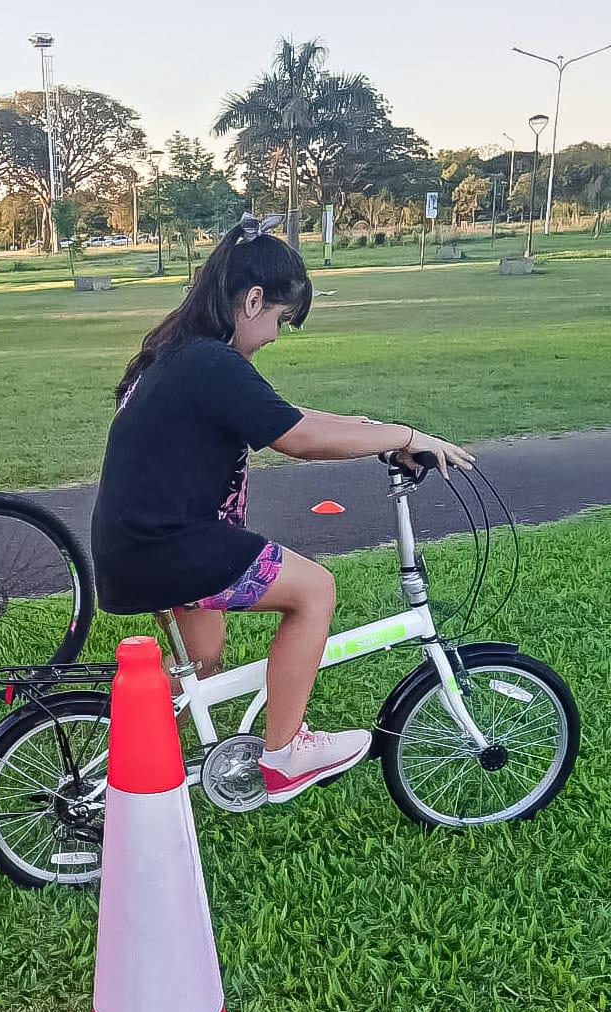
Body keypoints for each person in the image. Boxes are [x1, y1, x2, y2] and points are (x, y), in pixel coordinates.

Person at [90, 214, 474, 803]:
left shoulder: (180, 351)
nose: (273, 335)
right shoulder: (213, 364)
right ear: (251, 301)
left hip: (137, 543)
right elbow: (296, 436)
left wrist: (374, 430)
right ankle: (286, 751)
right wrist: (401, 435)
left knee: (201, 661)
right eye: (277, 320)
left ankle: (124, 771)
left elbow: (292, 415)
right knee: (315, 590)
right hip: (169, 545)